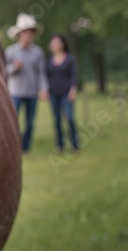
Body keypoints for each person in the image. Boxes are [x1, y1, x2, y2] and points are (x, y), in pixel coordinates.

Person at [5, 13, 48, 153]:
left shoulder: (38, 52)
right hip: (15, 92)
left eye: (30, 32)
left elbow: (41, 73)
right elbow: (3, 71)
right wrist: (14, 68)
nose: (28, 35)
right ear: (19, 34)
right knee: (13, 121)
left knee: (30, 123)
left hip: (32, 93)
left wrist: (44, 88)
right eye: (25, 32)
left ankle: (25, 147)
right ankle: (13, 145)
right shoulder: (10, 52)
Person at [45, 33, 80, 154]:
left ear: (63, 44)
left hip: (67, 93)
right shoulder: (49, 61)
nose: (55, 44)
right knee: (57, 120)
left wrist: (73, 89)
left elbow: (73, 75)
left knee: (69, 118)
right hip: (53, 94)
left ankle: (75, 145)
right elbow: (46, 77)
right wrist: (45, 90)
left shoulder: (69, 59)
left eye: (57, 42)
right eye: (53, 42)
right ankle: (60, 145)